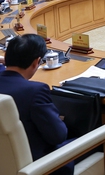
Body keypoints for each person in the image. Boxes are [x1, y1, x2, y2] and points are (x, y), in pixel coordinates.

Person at [0, 34, 71, 173]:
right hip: (36, 165)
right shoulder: (35, 91)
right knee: (98, 140)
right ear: (36, 62)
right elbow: (58, 136)